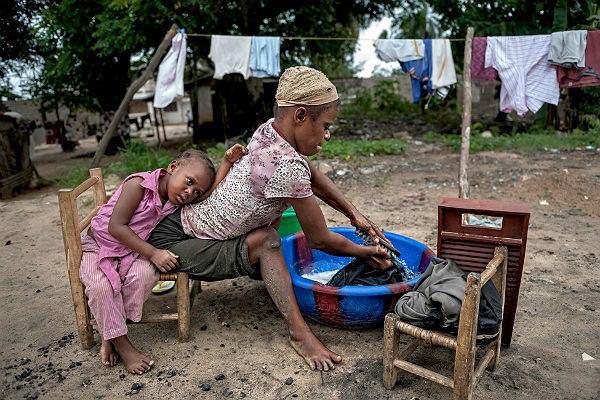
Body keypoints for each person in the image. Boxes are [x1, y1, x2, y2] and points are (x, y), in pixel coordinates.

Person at [148, 66, 392, 372]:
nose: (327, 135)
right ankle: (299, 334)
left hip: (187, 224)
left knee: (269, 227)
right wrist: (364, 251)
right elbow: (319, 239)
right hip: (177, 243)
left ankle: (268, 277)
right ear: (300, 116)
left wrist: (355, 215)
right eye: (326, 126)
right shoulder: (285, 167)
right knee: (268, 241)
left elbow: (311, 174)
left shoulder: (270, 131)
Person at [80, 145, 247, 374]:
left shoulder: (174, 199)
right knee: (100, 287)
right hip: (99, 247)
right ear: (173, 167)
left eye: (195, 192)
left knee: (145, 275)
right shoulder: (138, 185)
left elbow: (209, 193)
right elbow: (116, 227)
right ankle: (123, 345)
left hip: (130, 252)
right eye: (189, 182)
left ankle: (111, 333)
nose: (190, 193)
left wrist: (227, 162)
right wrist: (153, 253)